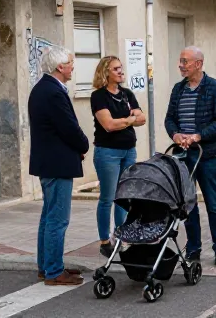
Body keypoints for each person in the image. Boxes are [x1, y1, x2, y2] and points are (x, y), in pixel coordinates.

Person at [28, 46, 89, 286]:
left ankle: (47, 266)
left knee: (49, 217)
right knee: (57, 219)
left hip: (50, 162)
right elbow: (68, 127)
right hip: (57, 164)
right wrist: (83, 145)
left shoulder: (42, 88)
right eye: (70, 63)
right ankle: (53, 271)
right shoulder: (53, 92)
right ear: (60, 67)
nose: (73, 67)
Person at [164, 47, 216, 267]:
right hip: (183, 156)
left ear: (199, 64)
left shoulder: (215, 87)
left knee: (213, 203)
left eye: (185, 61)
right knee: (188, 205)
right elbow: (169, 118)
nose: (181, 65)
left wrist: (198, 136)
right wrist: (175, 135)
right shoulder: (178, 89)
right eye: (180, 61)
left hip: (207, 156)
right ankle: (193, 248)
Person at [90, 56, 145, 258]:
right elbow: (108, 125)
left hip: (129, 151)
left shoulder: (127, 94)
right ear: (105, 73)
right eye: (116, 69)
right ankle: (105, 241)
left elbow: (142, 118)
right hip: (108, 152)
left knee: (123, 197)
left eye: (121, 68)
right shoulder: (98, 96)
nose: (121, 71)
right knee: (108, 197)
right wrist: (130, 119)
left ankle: (121, 237)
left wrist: (126, 120)